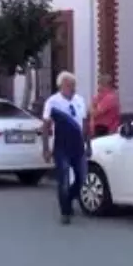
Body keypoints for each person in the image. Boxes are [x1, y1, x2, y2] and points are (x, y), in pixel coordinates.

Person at [41, 72, 91, 225]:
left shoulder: (80, 100)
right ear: (61, 85)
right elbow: (46, 126)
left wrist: (88, 144)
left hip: (78, 146)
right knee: (63, 180)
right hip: (61, 146)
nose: (72, 88)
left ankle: (69, 198)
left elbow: (85, 124)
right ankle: (65, 211)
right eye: (69, 85)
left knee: (82, 178)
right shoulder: (53, 102)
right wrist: (45, 149)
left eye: (74, 85)